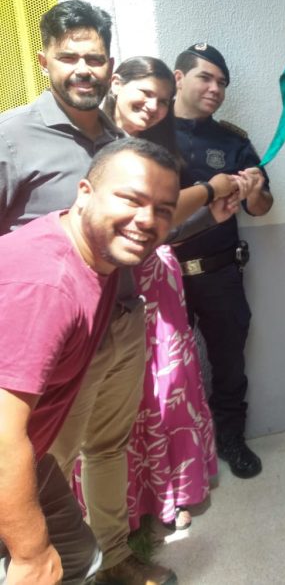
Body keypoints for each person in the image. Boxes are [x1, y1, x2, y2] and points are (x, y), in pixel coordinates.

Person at [0, 0, 235, 585]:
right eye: (70, 57)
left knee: (109, 447)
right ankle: (43, 562)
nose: (84, 69)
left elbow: (145, 228)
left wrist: (204, 207)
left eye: (95, 58)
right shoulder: (12, 136)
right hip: (48, 334)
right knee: (44, 460)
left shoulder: (118, 137)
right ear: (44, 60)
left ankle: (113, 558)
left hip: (122, 318)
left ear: (111, 65)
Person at [0, 138, 180, 585]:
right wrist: (30, 554)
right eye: (131, 199)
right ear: (84, 192)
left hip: (29, 454)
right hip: (7, 451)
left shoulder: (92, 250)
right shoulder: (47, 286)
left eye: (163, 209)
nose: (147, 219)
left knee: (79, 558)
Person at [173, 43, 273, 479]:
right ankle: (175, 456)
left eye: (222, 82)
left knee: (229, 363)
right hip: (164, 277)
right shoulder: (147, 133)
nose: (216, 88)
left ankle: (230, 438)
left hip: (219, 272)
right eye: (206, 77)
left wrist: (255, 191)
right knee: (166, 370)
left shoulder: (233, 140)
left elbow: (262, 207)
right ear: (179, 78)